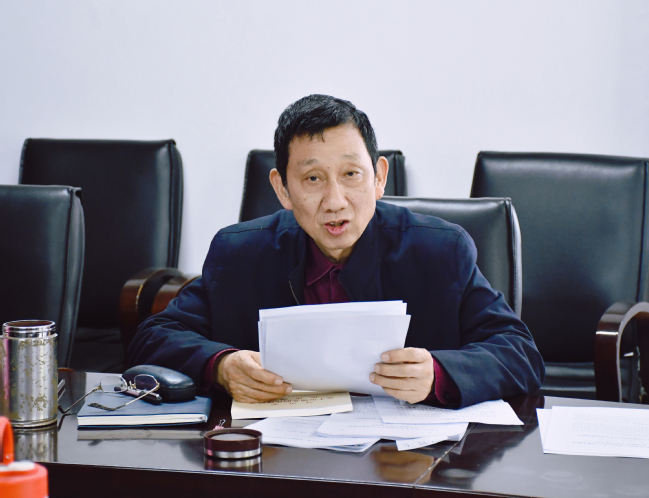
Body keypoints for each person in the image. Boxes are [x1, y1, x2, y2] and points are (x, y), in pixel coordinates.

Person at [128, 94, 544, 408]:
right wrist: (220, 366)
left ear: (378, 178)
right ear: (282, 189)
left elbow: (519, 352)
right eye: (312, 178)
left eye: (351, 174)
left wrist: (438, 374)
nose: (335, 201)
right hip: (280, 460)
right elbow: (153, 336)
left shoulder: (440, 251)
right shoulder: (239, 253)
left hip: (402, 463)